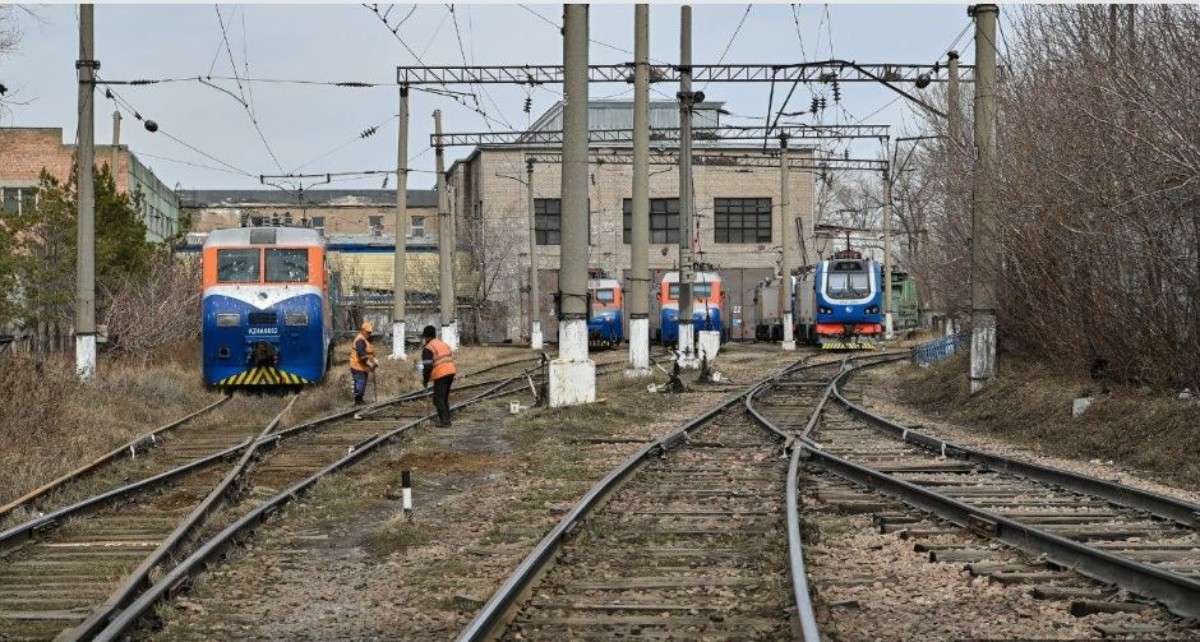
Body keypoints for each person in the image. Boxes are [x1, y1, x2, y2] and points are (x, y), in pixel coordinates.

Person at [421, 325, 457, 427]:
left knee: (438, 399)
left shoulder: (428, 348)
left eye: (424, 337)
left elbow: (427, 367)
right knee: (444, 398)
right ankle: (447, 419)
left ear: (427, 337)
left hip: (441, 373)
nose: (424, 340)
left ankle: (445, 422)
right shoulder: (443, 344)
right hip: (451, 371)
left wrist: (425, 379)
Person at [349, 321, 378, 405]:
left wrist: (374, 359)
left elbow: (370, 352)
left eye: (370, 332)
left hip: (363, 367)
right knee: (360, 384)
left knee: (362, 383)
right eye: (367, 332)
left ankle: (359, 401)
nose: (369, 334)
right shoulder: (360, 340)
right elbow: (362, 354)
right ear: (362, 330)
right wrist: (369, 363)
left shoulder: (367, 339)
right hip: (357, 365)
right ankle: (358, 402)